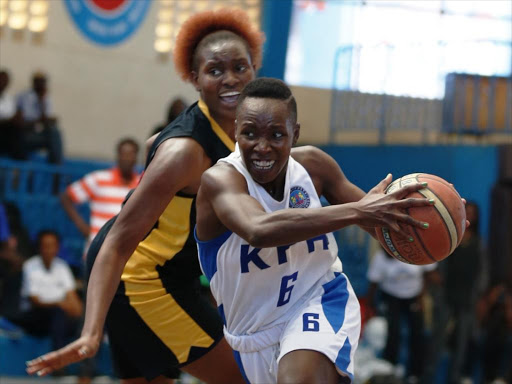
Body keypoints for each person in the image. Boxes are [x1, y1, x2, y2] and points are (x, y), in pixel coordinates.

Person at [26, 8, 264, 384]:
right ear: (194, 78)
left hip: (167, 272)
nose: (230, 79)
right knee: (248, 377)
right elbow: (120, 240)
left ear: (255, 69)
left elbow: (155, 143)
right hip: (140, 276)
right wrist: (91, 332)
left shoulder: (237, 131)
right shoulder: (185, 152)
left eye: (240, 67)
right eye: (215, 70)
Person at [194, 78, 440, 384]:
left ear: (294, 134)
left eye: (276, 134)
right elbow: (257, 230)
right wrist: (358, 211)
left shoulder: (313, 167)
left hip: (318, 298)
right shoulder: (220, 180)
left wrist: (433, 229)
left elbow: (382, 227)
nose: (262, 146)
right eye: (249, 133)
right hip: (250, 334)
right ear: (235, 132)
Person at [366, 246, 437, 384]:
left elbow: (428, 274)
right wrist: (370, 307)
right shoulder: (381, 257)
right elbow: (373, 284)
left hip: (413, 296)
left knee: (417, 333)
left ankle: (415, 374)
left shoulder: (417, 249)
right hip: (391, 297)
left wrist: (421, 298)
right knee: (393, 332)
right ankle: (389, 369)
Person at [60, 138, 140, 257]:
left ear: (136, 158)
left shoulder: (141, 185)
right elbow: (66, 197)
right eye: (124, 154)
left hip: (125, 253)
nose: (127, 158)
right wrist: (83, 227)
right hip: (97, 249)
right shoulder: (99, 179)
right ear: (117, 156)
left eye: (130, 155)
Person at [7, 230, 83, 350]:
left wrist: (79, 313)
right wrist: (60, 304)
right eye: (46, 246)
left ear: (58, 248)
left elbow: (72, 297)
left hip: (60, 316)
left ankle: (87, 365)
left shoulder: (62, 267)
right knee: (58, 314)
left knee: (85, 319)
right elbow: (35, 301)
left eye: (52, 246)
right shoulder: (30, 266)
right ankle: (58, 361)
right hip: (35, 316)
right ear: (39, 247)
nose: (49, 250)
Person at [15, 72, 63, 164]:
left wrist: (42, 102)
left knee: (54, 132)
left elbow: (45, 119)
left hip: (39, 133)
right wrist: (42, 120)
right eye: (39, 81)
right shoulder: (24, 97)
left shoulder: (46, 98)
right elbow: (23, 121)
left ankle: (56, 166)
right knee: (53, 133)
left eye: (43, 82)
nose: (41, 84)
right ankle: (56, 169)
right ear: (34, 82)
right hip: (25, 135)